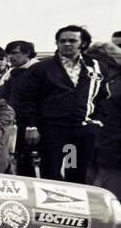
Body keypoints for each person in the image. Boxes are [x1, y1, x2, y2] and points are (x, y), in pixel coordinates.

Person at [14, 25, 104, 183]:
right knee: (51, 173)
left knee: (75, 171)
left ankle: (74, 206)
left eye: (72, 40)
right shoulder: (42, 68)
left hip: (80, 130)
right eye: (63, 41)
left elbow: (103, 96)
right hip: (52, 129)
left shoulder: (94, 67)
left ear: (82, 43)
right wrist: (31, 126)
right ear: (57, 43)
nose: (67, 44)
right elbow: (27, 99)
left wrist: (98, 120)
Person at [0, 40, 38, 175]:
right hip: (16, 123)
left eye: (14, 53)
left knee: (31, 162)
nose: (10, 57)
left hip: (34, 125)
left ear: (27, 53)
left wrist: (33, 126)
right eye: (8, 54)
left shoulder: (39, 70)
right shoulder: (12, 72)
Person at [86, 39, 121, 196]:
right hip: (92, 150)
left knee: (109, 199)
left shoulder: (116, 85)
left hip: (113, 154)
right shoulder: (94, 82)